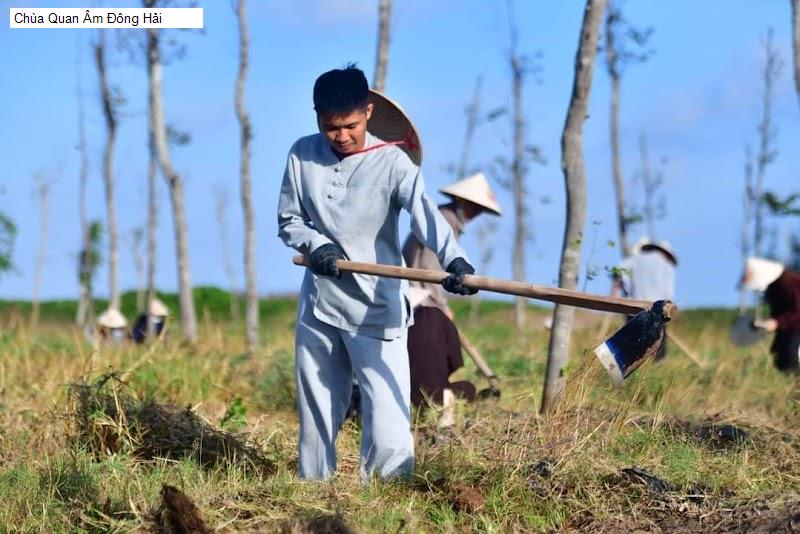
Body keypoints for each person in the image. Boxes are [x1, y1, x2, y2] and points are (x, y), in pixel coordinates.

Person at [276, 64, 477, 480]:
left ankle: (388, 498)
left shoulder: (393, 162)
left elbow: (426, 215)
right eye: (331, 127)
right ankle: (316, 493)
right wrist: (316, 245)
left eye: (351, 125)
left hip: (377, 305)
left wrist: (453, 260)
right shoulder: (301, 154)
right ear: (317, 118)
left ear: (368, 111)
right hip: (321, 303)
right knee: (317, 412)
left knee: (389, 417)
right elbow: (289, 221)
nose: (342, 136)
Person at [402, 172, 501, 407]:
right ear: (463, 201)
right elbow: (429, 268)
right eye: (474, 207)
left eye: (480, 209)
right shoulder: (443, 220)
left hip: (420, 297)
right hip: (419, 299)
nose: (476, 213)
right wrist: (442, 307)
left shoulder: (446, 219)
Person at [611, 237, 678, 360]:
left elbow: (618, 274)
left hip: (634, 308)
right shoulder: (667, 266)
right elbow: (669, 294)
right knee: (658, 352)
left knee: (632, 348)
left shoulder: (634, 260)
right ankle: (656, 369)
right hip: (658, 310)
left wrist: (614, 297)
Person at [741, 257, 800, 372]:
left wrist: (777, 322)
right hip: (789, 328)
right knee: (779, 356)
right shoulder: (774, 287)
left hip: (796, 328)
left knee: (789, 356)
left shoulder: (789, 283)